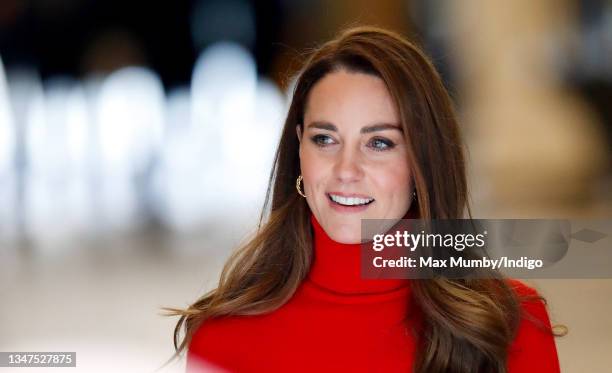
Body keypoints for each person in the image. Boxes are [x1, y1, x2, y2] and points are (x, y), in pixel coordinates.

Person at [166, 25, 562, 373]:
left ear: (424, 159)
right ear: (298, 148)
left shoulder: (509, 324)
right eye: (325, 139)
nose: (346, 169)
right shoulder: (222, 336)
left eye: (379, 142)